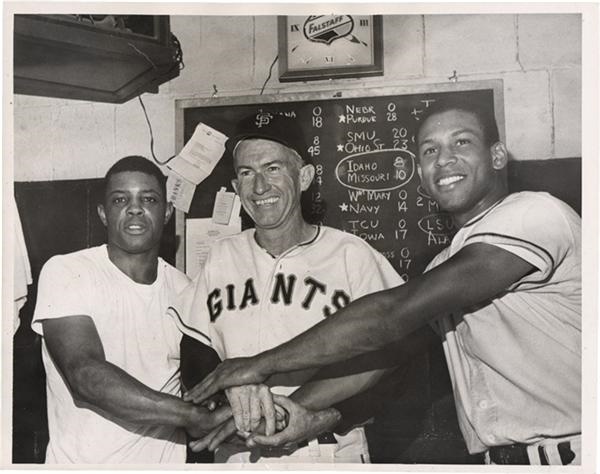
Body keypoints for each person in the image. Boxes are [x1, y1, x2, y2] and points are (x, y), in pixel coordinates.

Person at [186, 99, 582, 466]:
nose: (444, 160)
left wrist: (256, 367)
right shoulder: (446, 262)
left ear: (497, 156)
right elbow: (387, 352)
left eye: (461, 142)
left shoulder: (536, 214)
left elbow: (389, 318)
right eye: (429, 151)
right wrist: (299, 411)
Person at [171, 113, 404, 463]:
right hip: (240, 452)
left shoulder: (351, 255)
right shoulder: (223, 255)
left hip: (327, 449)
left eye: (273, 168)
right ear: (236, 188)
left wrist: (327, 416)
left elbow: (395, 360)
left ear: (305, 176)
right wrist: (231, 392)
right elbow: (194, 353)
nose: (259, 187)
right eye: (247, 173)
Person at [31, 156, 231, 464]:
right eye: (120, 199)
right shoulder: (67, 271)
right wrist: (190, 415)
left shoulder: (187, 290)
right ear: (103, 213)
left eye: (148, 199)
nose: (134, 208)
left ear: (166, 213)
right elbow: (85, 376)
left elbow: (207, 382)